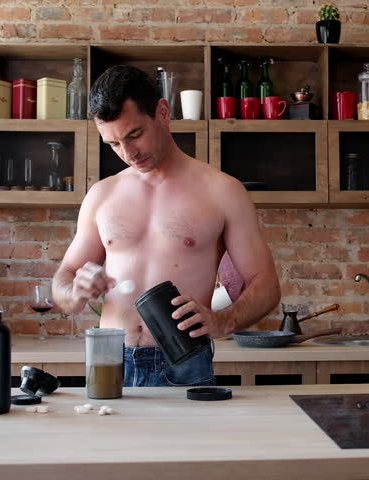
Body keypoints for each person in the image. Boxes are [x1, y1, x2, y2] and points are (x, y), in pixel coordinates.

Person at [52, 65, 280, 387]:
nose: (128, 154)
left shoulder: (222, 191)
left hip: (183, 362)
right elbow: (63, 279)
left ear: (162, 111)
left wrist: (223, 321)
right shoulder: (102, 195)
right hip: (109, 360)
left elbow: (267, 285)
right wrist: (73, 292)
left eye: (134, 135)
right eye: (114, 144)